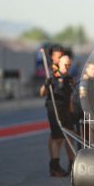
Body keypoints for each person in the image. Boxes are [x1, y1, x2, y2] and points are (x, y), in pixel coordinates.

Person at [40, 47, 74, 177]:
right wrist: (46, 85)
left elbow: (70, 96)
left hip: (66, 109)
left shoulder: (68, 78)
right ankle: (54, 166)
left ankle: (72, 163)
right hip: (54, 109)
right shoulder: (52, 76)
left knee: (70, 135)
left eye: (69, 64)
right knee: (57, 137)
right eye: (65, 64)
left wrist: (71, 110)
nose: (67, 66)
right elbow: (42, 93)